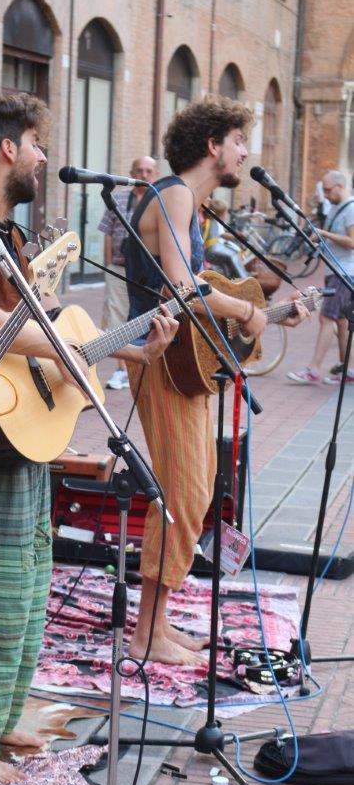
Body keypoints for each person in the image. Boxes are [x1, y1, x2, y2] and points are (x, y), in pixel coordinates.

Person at [0, 93, 175, 782]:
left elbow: (47, 333)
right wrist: (62, 349)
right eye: (36, 143)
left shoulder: (8, 236)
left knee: (30, 581)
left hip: (21, 428)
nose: (43, 157)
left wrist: (131, 349)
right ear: (8, 148)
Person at [123, 95, 308, 666]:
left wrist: (268, 312)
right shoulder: (174, 193)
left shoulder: (189, 203)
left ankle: (157, 622)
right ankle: (146, 635)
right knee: (181, 494)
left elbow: (201, 287)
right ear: (213, 145)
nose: (245, 152)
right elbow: (182, 287)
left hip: (181, 364)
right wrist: (247, 311)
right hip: (158, 358)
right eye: (238, 141)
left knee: (196, 491)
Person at [287, 169, 354, 385]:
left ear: (340, 186)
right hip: (335, 270)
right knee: (341, 321)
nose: (325, 194)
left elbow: (352, 242)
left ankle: (313, 370)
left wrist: (324, 234)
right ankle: (348, 369)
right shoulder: (335, 207)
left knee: (327, 318)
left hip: (344, 271)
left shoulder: (351, 208)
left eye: (327, 190)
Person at [98, 155, 158, 389]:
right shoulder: (118, 198)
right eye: (139, 170)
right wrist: (109, 266)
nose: (144, 175)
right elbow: (108, 232)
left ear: (155, 174)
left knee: (145, 319)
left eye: (149, 171)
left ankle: (141, 367)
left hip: (147, 272)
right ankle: (122, 370)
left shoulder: (159, 200)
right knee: (117, 317)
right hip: (119, 268)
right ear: (132, 173)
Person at [203, 197, 248, 279]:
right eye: (225, 213)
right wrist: (237, 235)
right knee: (232, 255)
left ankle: (230, 277)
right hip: (213, 249)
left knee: (228, 260)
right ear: (220, 214)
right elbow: (223, 235)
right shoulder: (214, 222)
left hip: (215, 247)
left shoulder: (214, 222)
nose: (227, 214)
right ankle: (242, 277)